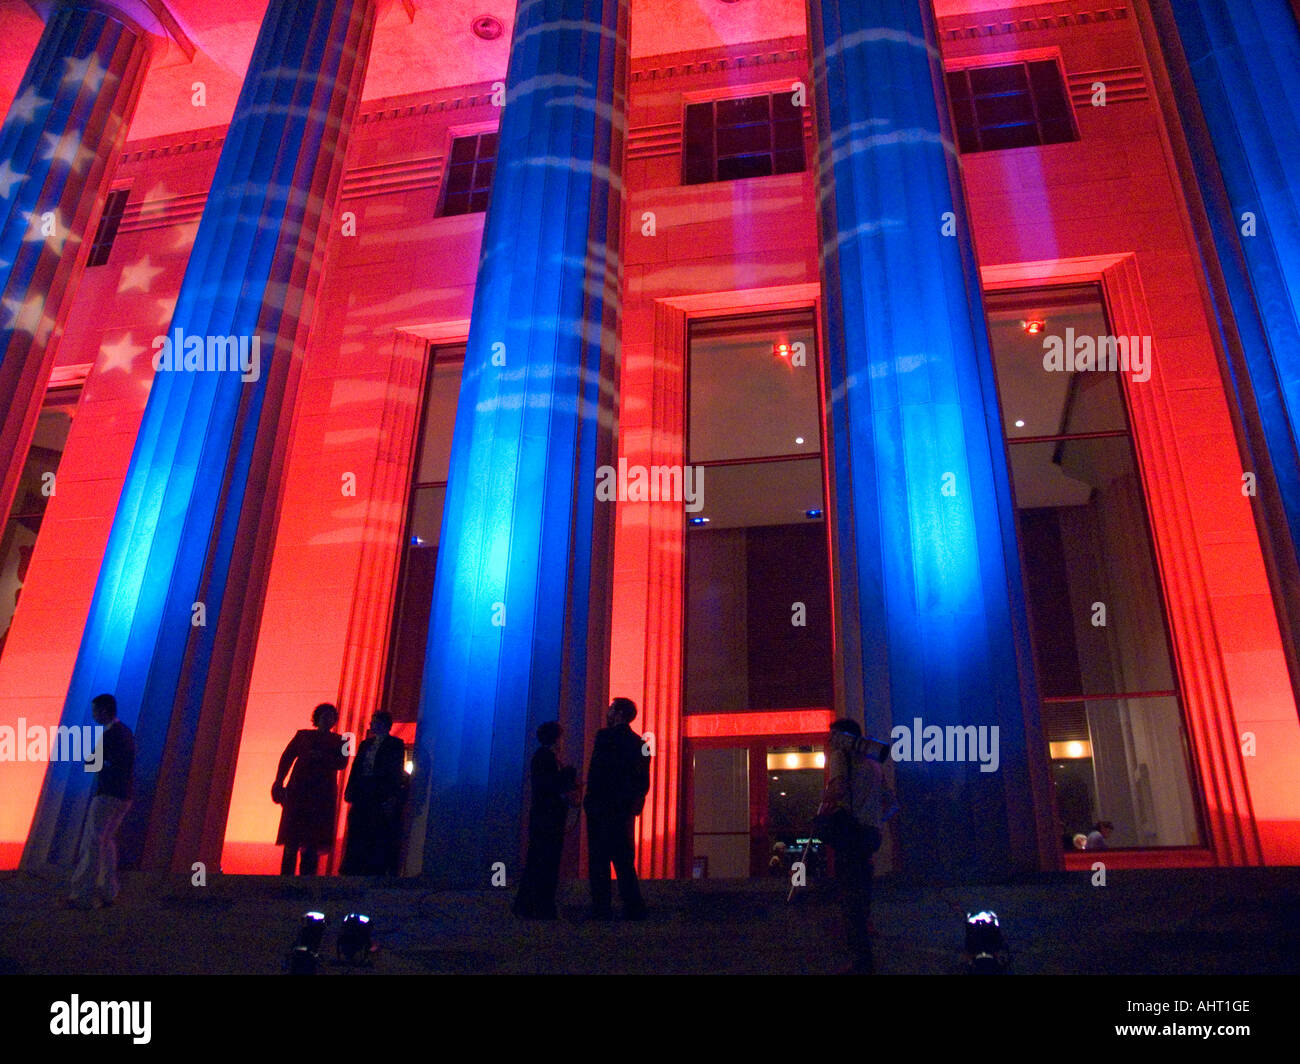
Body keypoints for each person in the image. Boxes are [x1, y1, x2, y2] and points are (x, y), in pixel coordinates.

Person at [816, 718, 893, 974]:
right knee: (862, 889)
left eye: (832, 737)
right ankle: (866, 936)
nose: (829, 742)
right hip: (871, 834)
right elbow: (890, 804)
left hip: (851, 835)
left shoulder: (841, 757)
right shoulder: (873, 762)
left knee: (850, 899)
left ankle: (861, 962)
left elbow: (837, 790)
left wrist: (825, 800)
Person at [583, 697, 650, 920]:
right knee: (624, 860)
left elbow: (596, 772)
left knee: (599, 860)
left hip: (601, 808)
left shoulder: (604, 737)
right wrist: (634, 805)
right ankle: (633, 907)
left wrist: (589, 802)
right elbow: (643, 781)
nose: (608, 712)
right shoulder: (641, 744)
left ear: (619, 713)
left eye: (611, 709)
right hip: (623, 811)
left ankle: (602, 909)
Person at [66, 693, 134, 910]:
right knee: (106, 841)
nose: (93, 715)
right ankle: (108, 891)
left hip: (107, 794)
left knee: (94, 841)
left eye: (95, 711)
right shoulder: (126, 732)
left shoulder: (109, 735)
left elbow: (91, 764)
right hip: (124, 795)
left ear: (104, 711)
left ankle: (83, 894)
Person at [272, 703, 348, 875]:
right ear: (318, 718)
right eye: (324, 716)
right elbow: (286, 758)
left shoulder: (342, 740)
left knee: (313, 839)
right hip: (300, 790)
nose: (328, 720)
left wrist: (324, 757)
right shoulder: (302, 736)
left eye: (331, 717)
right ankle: (286, 878)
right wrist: (278, 781)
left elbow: (342, 763)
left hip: (322, 794)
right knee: (292, 836)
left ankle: (306, 878)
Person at [512, 721, 579, 918]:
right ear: (556, 738)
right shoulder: (546, 758)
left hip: (543, 818)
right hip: (548, 819)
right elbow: (550, 786)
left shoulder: (543, 757)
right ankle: (540, 907)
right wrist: (568, 775)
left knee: (538, 861)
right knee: (546, 862)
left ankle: (528, 906)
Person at [340, 711, 408, 875]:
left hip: (378, 791)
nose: (371, 725)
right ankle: (353, 866)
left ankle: (373, 867)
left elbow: (395, 769)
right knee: (358, 827)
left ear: (384, 724)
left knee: (375, 828)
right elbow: (356, 768)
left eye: (374, 722)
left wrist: (390, 793)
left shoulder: (395, 744)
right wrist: (350, 789)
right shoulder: (365, 744)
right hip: (363, 790)